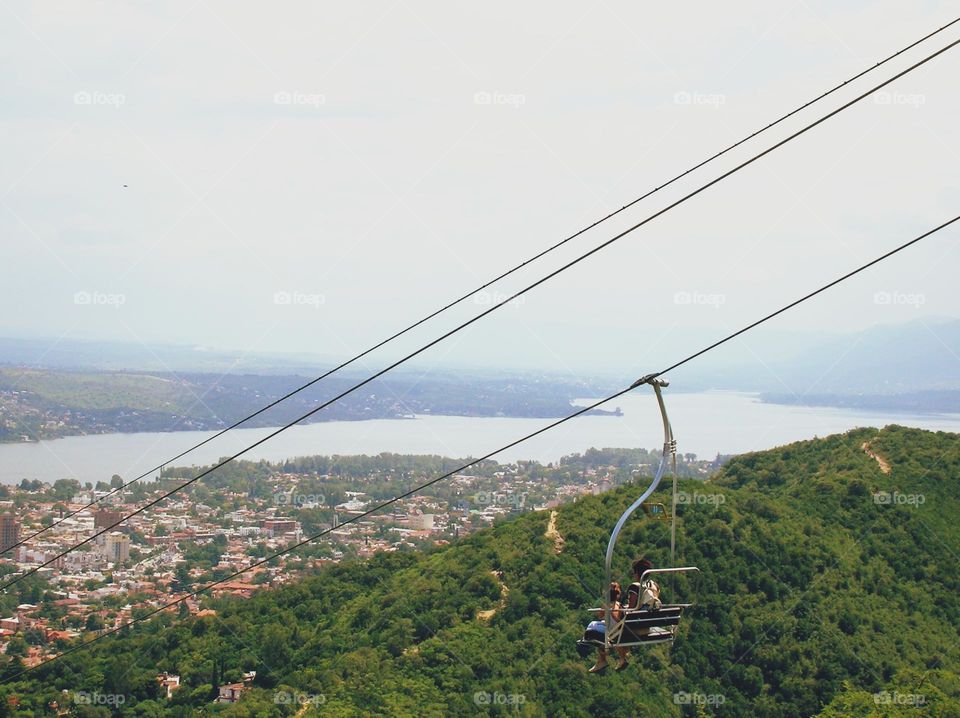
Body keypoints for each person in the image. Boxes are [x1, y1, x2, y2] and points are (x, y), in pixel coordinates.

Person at [586, 582, 630, 673]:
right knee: (602, 630)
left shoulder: (606, 604)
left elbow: (600, 616)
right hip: (617, 628)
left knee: (593, 628)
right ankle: (621, 658)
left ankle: (602, 660)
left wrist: (604, 610)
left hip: (611, 630)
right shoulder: (619, 605)